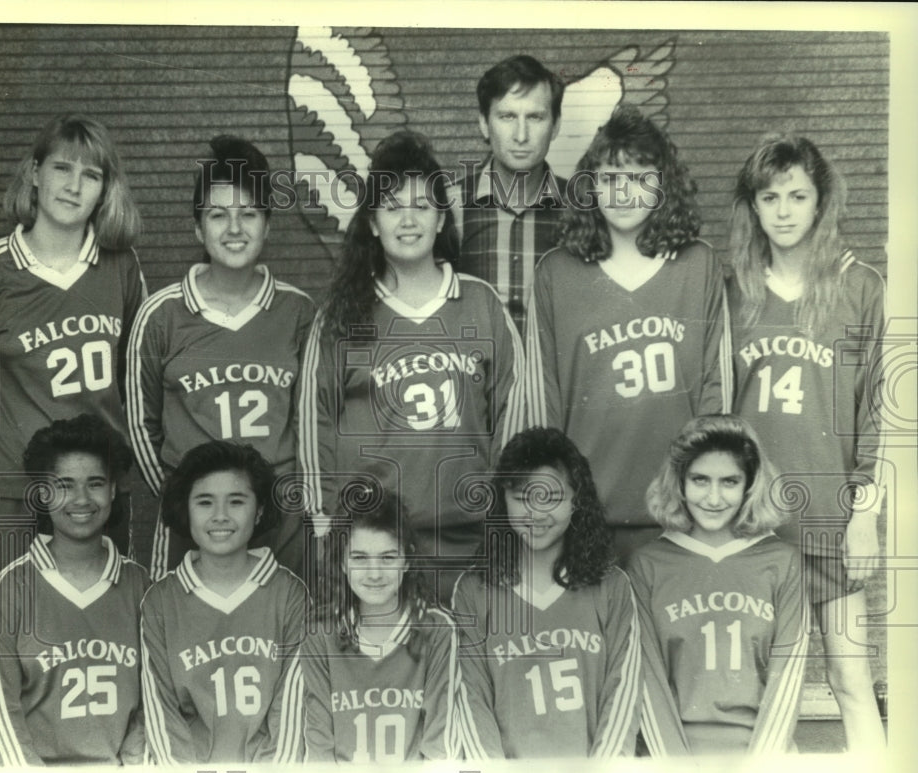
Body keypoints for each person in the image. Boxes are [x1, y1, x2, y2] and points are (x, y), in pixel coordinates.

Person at [298, 130, 525, 603]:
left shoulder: (481, 304)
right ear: (372, 223)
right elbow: (314, 429)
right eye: (392, 206)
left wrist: (507, 520)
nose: (408, 220)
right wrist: (325, 530)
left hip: (471, 545)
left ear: (442, 218)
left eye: (421, 206)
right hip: (377, 551)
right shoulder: (342, 316)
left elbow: (515, 418)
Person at [726, 134, 886, 752]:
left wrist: (865, 515)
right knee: (767, 690)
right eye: (770, 197)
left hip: (829, 518)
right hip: (754, 526)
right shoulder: (732, 289)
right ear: (754, 206)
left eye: (798, 195)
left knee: (850, 675)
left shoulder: (860, 285)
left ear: (821, 202)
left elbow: (880, 413)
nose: (785, 210)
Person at [0, 113, 146, 590]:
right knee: (12, 627)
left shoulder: (121, 268)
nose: (74, 186)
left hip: (96, 490)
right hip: (14, 490)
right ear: (35, 173)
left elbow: (134, 379)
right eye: (62, 168)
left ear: (105, 191)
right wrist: (19, 440)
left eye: (92, 175)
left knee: (102, 631)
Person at [525, 104, 725, 560]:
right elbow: (545, 399)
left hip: (680, 513)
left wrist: (707, 493)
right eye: (611, 178)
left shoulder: (698, 265)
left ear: (663, 186)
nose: (624, 193)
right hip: (587, 513)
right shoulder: (556, 273)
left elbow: (716, 390)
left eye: (639, 178)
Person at [127, 134, 315, 581]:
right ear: (197, 228)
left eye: (248, 214)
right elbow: (140, 425)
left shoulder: (300, 312)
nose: (234, 229)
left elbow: (315, 424)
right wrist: (183, 503)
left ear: (268, 225)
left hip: (283, 528)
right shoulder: (162, 314)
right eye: (218, 215)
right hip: (193, 529)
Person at [452, 427, 641, 759]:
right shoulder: (473, 590)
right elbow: (471, 699)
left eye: (551, 497)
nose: (536, 513)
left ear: (576, 500)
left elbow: (623, 693)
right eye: (523, 497)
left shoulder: (612, 586)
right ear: (502, 499)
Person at [628, 414, 808, 755]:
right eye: (700, 480)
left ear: (750, 485)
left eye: (729, 482)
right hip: (673, 757)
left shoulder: (781, 561)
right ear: (679, 483)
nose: (713, 498)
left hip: (760, 758)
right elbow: (647, 681)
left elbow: (789, 675)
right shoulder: (647, 565)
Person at [0, 414, 148, 766]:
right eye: (64, 484)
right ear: (42, 493)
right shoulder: (8, 590)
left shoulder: (142, 588)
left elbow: (156, 699)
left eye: (95, 483)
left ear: (113, 490)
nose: (81, 498)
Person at [139, 440, 306, 764]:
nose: (220, 516)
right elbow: (161, 715)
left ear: (258, 510)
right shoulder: (160, 603)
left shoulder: (289, 594)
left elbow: (291, 711)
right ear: (185, 509)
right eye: (204, 502)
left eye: (236, 501)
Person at [300, 483, 462, 762]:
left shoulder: (437, 631)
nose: (374, 573)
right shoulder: (320, 634)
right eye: (360, 558)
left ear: (407, 559)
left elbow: (441, 743)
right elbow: (318, 743)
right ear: (341, 562)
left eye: (388, 558)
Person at [452, 54, 566, 336]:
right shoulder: (447, 205)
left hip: (555, 378)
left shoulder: (584, 206)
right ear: (483, 123)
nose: (521, 134)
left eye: (536, 117)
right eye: (507, 116)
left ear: (556, 125)